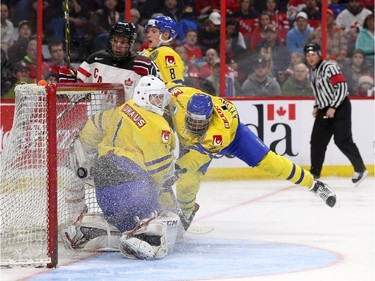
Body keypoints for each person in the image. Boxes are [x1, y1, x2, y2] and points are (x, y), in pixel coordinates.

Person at [165, 80, 337, 227]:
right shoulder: (178, 99)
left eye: (200, 123)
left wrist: (165, 176)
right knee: (186, 181)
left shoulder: (219, 132)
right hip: (197, 144)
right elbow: (167, 87)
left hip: (233, 138)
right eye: (192, 121)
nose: (195, 126)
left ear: (210, 118)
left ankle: (314, 185)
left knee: (271, 163)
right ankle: (186, 213)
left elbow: (192, 162)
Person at [66, 75, 181, 260]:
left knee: (122, 220)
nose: (160, 101)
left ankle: (102, 231)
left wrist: (82, 147)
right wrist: (171, 206)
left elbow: (93, 126)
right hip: (132, 189)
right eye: (155, 97)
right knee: (158, 218)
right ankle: (138, 235)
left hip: (103, 192)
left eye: (161, 97)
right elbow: (161, 174)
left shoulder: (122, 109)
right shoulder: (158, 125)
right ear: (143, 96)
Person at [304, 43, 367, 185]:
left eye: (313, 54)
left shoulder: (329, 67)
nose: (310, 58)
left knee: (342, 140)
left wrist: (333, 106)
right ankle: (314, 172)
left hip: (340, 106)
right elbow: (319, 91)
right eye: (308, 55)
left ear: (319, 54)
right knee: (317, 141)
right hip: (324, 108)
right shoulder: (313, 71)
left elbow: (342, 87)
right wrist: (316, 105)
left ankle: (360, 168)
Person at [63, 20, 159, 102]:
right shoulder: (95, 60)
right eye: (115, 41)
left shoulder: (144, 65)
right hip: (96, 121)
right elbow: (74, 97)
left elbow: (157, 98)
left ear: (131, 43)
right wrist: (68, 84)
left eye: (123, 42)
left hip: (127, 122)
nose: (118, 45)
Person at [140, 15, 185, 85]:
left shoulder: (167, 53)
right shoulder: (149, 51)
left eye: (154, 31)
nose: (148, 35)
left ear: (166, 35)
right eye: (148, 32)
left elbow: (175, 86)